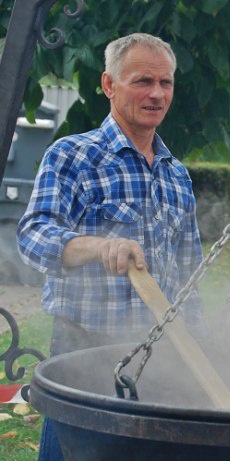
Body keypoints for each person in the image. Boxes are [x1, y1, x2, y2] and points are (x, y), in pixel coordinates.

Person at [17, 33, 204, 461]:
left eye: (166, 83)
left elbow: (191, 275)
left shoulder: (177, 175)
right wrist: (98, 247)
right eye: (142, 81)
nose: (156, 94)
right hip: (83, 351)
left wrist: (199, 344)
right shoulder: (72, 155)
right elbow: (33, 235)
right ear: (109, 85)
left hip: (159, 355)